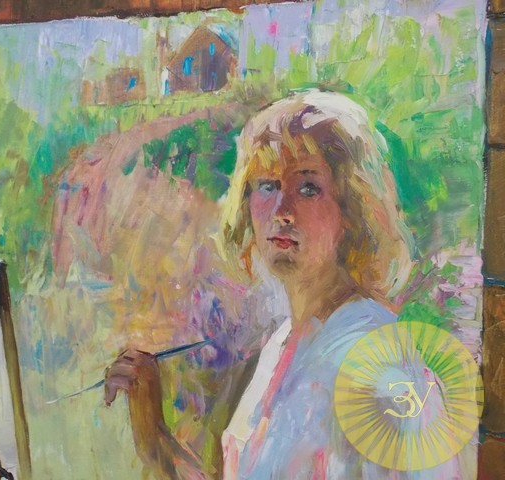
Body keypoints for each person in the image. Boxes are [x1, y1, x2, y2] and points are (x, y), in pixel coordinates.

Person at [103, 90, 476, 479]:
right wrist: (154, 437)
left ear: (352, 209)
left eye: (308, 188)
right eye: (267, 185)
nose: (281, 211)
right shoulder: (284, 345)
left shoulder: (379, 368)